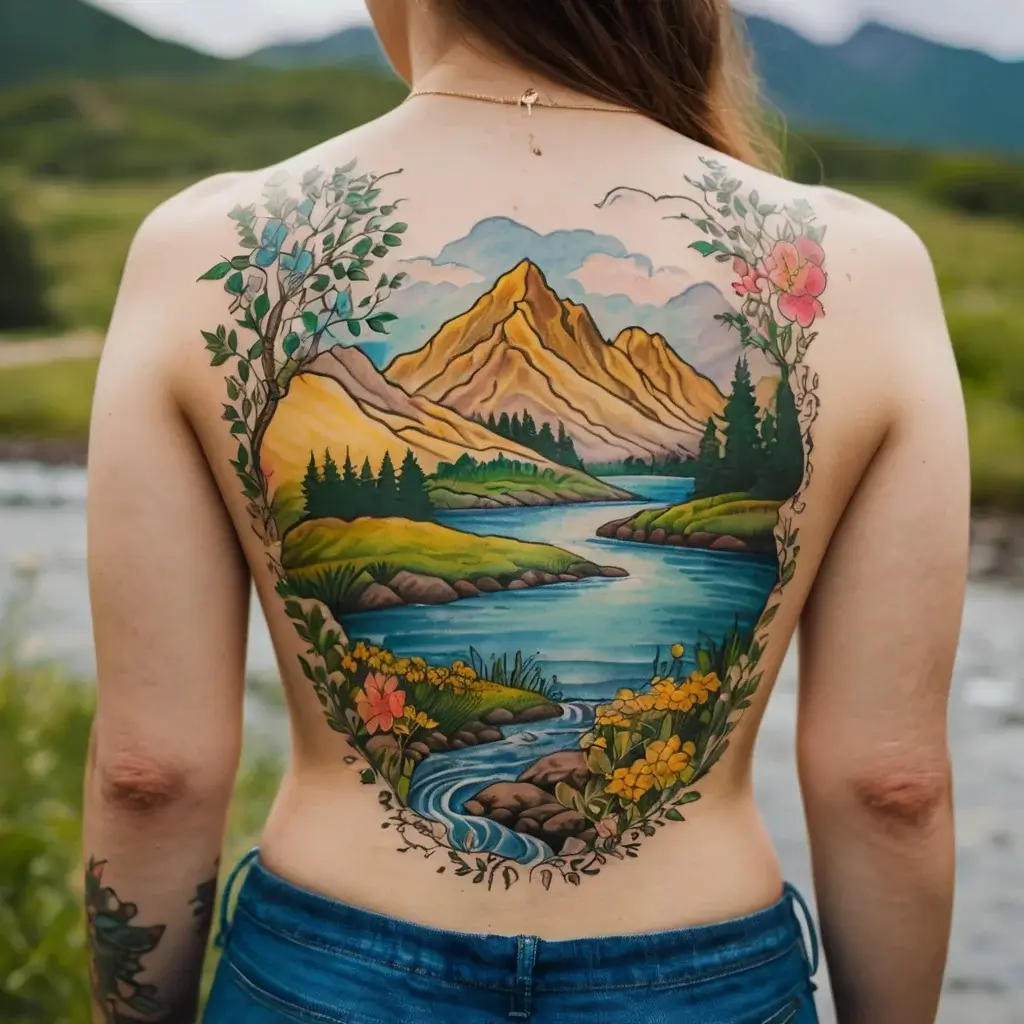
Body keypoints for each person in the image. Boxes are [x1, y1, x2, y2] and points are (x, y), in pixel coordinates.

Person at [83, 1, 969, 1021]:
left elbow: (151, 774)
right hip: (702, 981)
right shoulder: (870, 268)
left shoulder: (208, 247)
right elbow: (890, 787)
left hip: (325, 972)